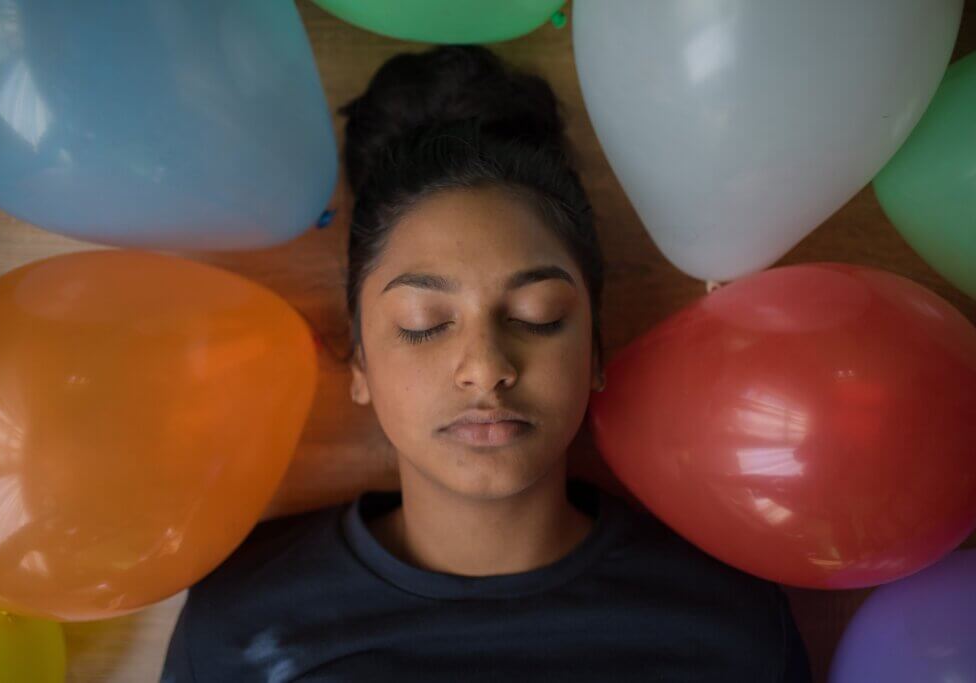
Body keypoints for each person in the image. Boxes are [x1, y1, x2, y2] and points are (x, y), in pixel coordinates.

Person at [160, 45, 813, 682]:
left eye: (536, 315)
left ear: (595, 350)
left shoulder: (731, 625)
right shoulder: (240, 627)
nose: (485, 367)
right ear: (360, 360)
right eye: (425, 324)